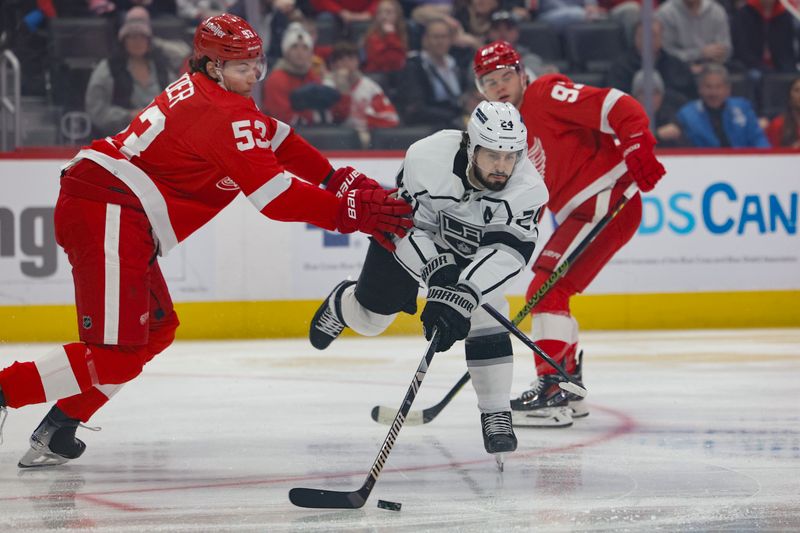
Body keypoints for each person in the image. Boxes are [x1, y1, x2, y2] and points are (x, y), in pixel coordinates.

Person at [0, 13, 412, 468]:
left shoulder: (217, 94)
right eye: (242, 66)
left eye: (257, 62)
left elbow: (280, 138)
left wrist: (338, 179)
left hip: (114, 208)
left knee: (155, 331)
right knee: (115, 355)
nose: (254, 74)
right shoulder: (221, 111)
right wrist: (347, 211)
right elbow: (274, 196)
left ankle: (60, 425)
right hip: (109, 209)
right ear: (213, 66)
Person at [308, 101, 549, 459]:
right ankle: (343, 304)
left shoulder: (528, 188)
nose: (502, 167)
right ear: (471, 146)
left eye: (510, 156)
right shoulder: (427, 157)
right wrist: (437, 274)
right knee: (372, 319)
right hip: (410, 243)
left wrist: (464, 293)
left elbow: (507, 254)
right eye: (492, 155)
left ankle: (496, 412)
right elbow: (402, 225)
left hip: (474, 254)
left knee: (485, 310)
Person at [472, 41, 666, 427]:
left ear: (522, 73)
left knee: (546, 289)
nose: (499, 87)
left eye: (505, 76)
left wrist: (637, 142)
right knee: (551, 289)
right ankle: (567, 384)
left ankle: (552, 388)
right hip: (583, 212)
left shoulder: (544, 94)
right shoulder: (504, 136)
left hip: (608, 199)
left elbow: (618, 104)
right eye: (488, 82)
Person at [85, 8, 178, 137]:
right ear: (123, 40)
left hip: (160, 138)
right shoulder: (107, 69)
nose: (137, 42)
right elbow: (96, 110)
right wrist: (128, 116)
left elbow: (177, 104)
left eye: (142, 37)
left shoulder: (162, 68)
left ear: (149, 41)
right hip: (118, 140)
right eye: (132, 37)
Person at [676, 64, 770, 148]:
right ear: (700, 89)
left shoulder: (743, 107)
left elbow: (758, 139)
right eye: (708, 87)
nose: (713, 93)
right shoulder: (687, 115)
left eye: (718, 87)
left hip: (744, 162)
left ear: (728, 89)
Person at [766, 77, 800, 149]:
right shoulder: (778, 124)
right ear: (789, 95)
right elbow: (771, 154)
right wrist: (791, 150)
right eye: (797, 90)